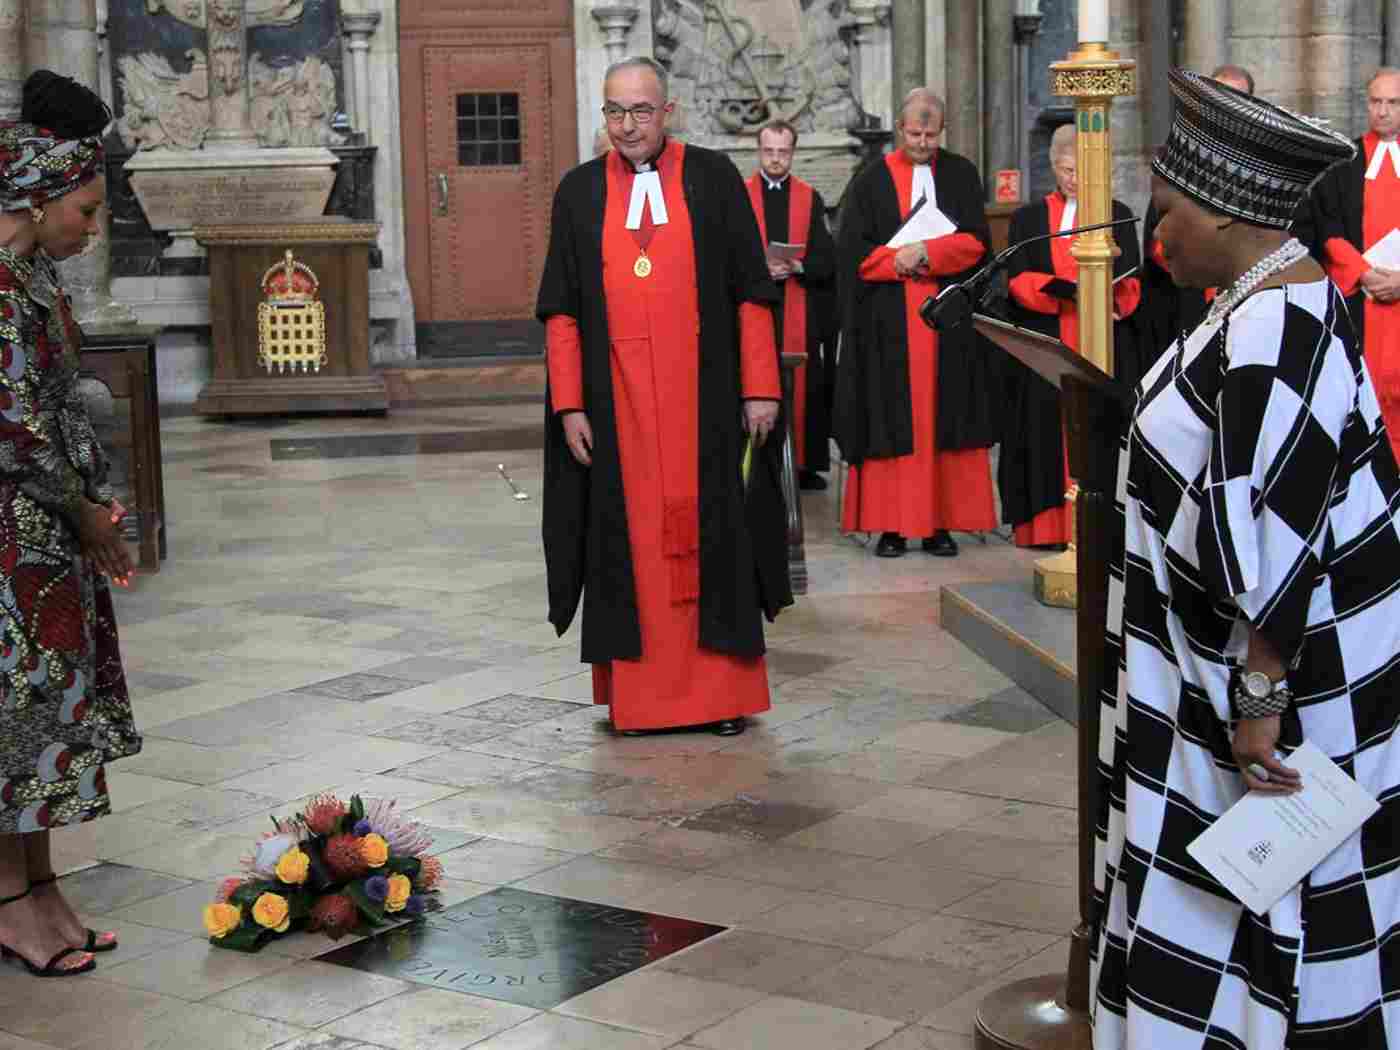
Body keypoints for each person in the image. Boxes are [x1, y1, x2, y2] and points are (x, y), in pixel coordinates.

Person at [1091, 69, 1398, 1049]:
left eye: (1167, 207)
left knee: (1257, 905)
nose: (1156, 231)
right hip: (1222, 671)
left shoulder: (1275, 325)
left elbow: (1278, 535)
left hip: (1267, 691)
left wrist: (1258, 705)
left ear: (1225, 210)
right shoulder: (1260, 296)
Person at [537, 56, 791, 738]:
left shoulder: (714, 179)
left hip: (706, 403)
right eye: (615, 111)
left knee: (713, 543)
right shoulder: (578, 192)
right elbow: (561, 311)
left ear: (667, 111)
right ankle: (642, 703)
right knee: (632, 549)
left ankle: (720, 697)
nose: (628, 125)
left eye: (641, 111)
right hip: (616, 408)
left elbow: (752, 294)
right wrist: (570, 405)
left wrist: (761, 388)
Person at [0, 71, 141, 977]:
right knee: (15, 719)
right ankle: (10, 905)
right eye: (86, 210)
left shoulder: (35, 279)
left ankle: (43, 889)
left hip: (47, 533)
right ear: (39, 196)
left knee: (50, 714)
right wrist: (84, 507)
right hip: (11, 538)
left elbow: (60, 403)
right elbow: (13, 424)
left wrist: (95, 498)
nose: (93, 227)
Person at [832, 88, 998, 559]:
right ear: (899, 130)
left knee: (946, 419)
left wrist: (926, 252)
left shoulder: (960, 174)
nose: (922, 143)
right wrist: (897, 261)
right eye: (913, 133)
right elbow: (853, 254)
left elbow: (976, 244)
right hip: (887, 323)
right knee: (891, 420)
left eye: (930, 134)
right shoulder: (870, 181)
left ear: (941, 131)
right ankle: (891, 526)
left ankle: (941, 525)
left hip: (948, 324)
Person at [1001, 124, 1141, 548]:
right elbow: (1017, 278)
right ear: (1053, 167)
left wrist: (1109, 298)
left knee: (1100, 429)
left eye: (1083, 170)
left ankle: (1101, 525)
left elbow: (1132, 279)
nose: (1075, 179)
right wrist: (1060, 291)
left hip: (1102, 340)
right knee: (1044, 433)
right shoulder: (1028, 218)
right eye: (1066, 170)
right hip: (1048, 336)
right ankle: (1047, 528)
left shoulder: (1117, 212)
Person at [1295, 67, 1400, 463]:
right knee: (1362, 397)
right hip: (1361, 301)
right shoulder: (1344, 164)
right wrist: (1363, 273)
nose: (1383, 111)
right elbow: (1327, 226)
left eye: (1393, 103)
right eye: (1376, 102)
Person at [1134, 65, 1254, 375]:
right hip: (1189, 293)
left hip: (1251, 293)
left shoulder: (1264, 163)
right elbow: (1159, 235)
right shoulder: (1179, 154)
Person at [745, 120, 838, 491]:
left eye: (782, 152)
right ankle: (759, 464)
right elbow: (729, 253)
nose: (775, 159)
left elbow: (827, 258)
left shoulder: (809, 197)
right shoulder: (741, 195)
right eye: (768, 151)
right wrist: (760, 267)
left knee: (804, 384)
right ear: (759, 151)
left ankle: (803, 465)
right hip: (756, 304)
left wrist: (797, 266)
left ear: (793, 153)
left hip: (798, 305)